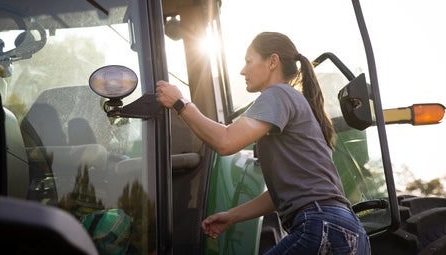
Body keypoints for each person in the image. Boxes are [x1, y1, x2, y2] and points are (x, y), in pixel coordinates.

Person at [155, 31, 370, 254]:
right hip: (349, 233)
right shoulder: (296, 103)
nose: (242, 70)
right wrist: (231, 217)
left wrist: (180, 103)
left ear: (272, 62)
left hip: (322, 227)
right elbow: (281, 194)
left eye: (249, 61)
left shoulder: (278, 95)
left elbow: (225, 142)